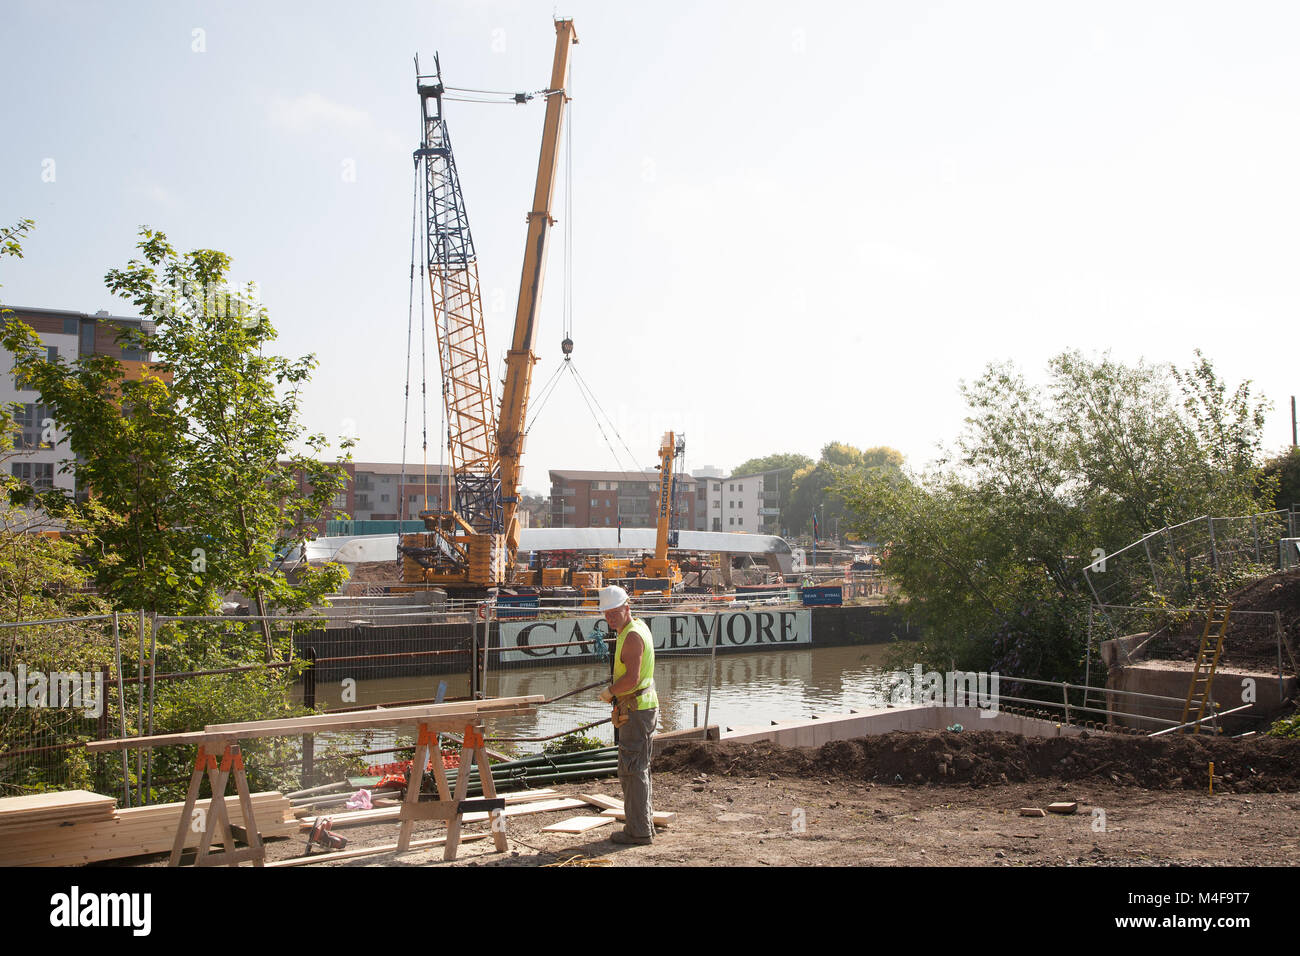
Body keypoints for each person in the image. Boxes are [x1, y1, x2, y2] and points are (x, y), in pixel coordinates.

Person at [597, 584, 658, 845]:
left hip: (636, 709)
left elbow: (632, 679)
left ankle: (639, 831)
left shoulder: (632, 636)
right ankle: (643, 824)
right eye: (606, 613)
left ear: (626, 608)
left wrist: (610, 691)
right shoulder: (635, 628)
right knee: (637, 767)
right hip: (639, 707)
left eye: (614, 612)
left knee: (632, 770)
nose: (610, 617)